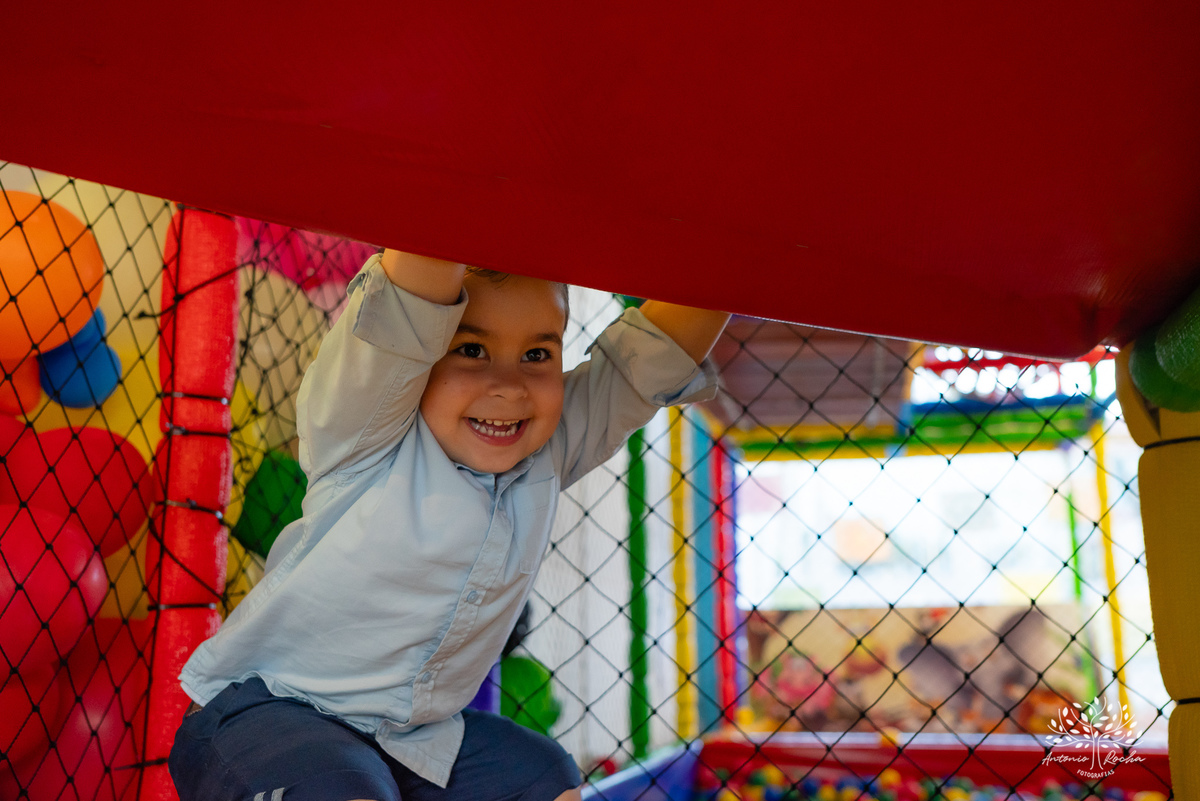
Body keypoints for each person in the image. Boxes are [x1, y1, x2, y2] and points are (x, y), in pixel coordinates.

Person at [169, 249, 730, 801]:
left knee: (542, 776)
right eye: (472, 349)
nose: (509, 386)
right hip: (267, 710)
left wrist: (743, 248)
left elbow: (646, 363)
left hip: (409, 741)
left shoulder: (546, 450)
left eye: (537, 355)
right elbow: (410, 300)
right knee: (341, 785)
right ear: (426, 353)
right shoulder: (367, 429)